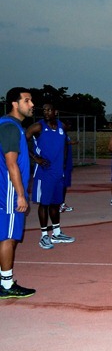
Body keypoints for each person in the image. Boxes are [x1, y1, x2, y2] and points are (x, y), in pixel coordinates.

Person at [0, 87, 36, 298]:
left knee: (7, 235)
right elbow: (11, 163)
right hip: (10, 192)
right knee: (8, 238)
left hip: (7, 190)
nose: (31, 105)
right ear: (15, 103)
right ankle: (5, 284)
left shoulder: (11, 126)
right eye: (27, 100)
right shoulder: (11, 127)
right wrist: (21, 195)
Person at [26, 102, 76, 250]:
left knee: (56, 203)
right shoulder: (37, 127)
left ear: (56, 111)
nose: (46, 112)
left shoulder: (62, 126)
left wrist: (64, 163)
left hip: (58, 172)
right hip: (44, 172)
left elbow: (65, 144)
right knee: (44, 203)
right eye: (44, 110)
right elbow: (20, 142)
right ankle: (44, 236)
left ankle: (56, 233)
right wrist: (35, 158)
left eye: (49, 110)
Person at [60, 119, 78, 213]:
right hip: (64, 164)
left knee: (64, 185)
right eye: (68, 124)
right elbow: (62, 146)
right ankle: (59, 204)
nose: (69, 127)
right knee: (61, 185)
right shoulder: (61, 134)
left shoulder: (65, 135)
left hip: (67, 164)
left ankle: (61, 203)